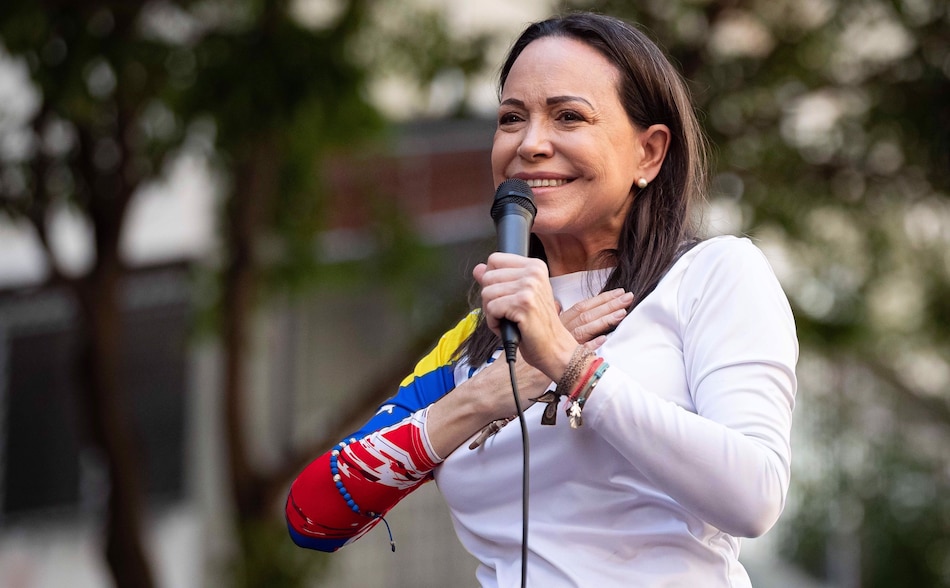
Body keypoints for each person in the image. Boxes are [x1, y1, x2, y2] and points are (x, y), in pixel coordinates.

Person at [286, 12, 798, 587]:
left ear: (649, 154)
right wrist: (480, 400)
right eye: (511, 118)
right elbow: (312, 516)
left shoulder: (709, 275)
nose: (531, 144)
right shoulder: (475, 346)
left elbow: (754, 497)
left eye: (568, 116)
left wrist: (572, 366)